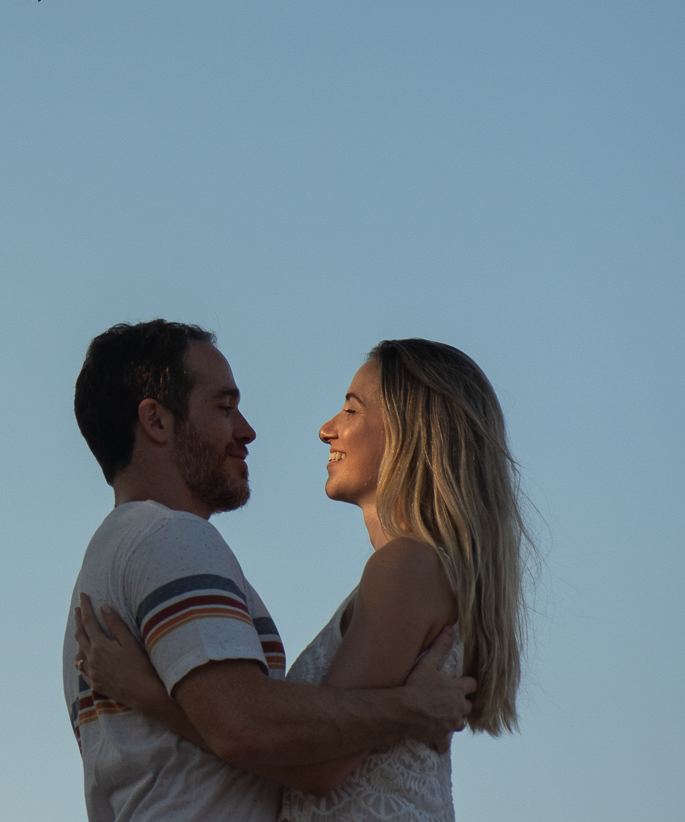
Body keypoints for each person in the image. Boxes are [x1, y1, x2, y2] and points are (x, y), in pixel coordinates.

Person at [75, 336, 529, 822]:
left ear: (410, 430)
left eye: (351, 411)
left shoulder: (407, 567)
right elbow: (279, 739)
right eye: (224, 406)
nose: (326, 429)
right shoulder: (412, 569)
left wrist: (150, 695)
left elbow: (316, 763)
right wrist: (407, 708)